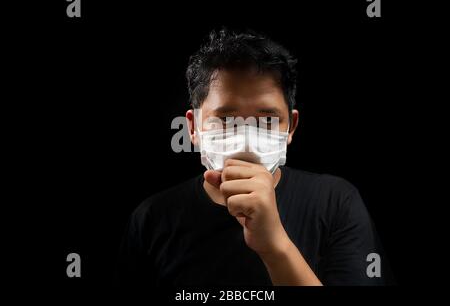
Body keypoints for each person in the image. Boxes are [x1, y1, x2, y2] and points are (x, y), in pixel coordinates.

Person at [117, 29, 391, 286]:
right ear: (193, 127)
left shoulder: (336, 202)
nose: (247, 138)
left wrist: (274, 245)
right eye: (226, 119)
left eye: (268, 119)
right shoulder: (151, 219)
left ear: (291, 127)